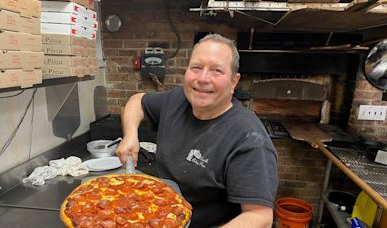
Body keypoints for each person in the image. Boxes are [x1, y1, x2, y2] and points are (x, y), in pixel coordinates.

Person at [116, 33, 278, 227]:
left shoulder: (249, 138)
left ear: (233, 82)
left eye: (216, 70)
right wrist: (130, 135)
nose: (202, 78)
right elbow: (137, 101)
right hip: (157, 217)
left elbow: (260, 217)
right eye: (196, 67)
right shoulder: (177, 99)